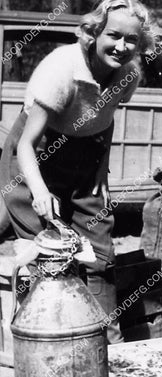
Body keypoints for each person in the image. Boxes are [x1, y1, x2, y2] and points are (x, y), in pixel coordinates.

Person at [0, 0, 154, 343]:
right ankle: (49, 343)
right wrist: (40, 191)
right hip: (35, 156)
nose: (122, 46)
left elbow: (107, 117)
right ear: (93, 32)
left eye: (132, 39)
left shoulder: (127, 71)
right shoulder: (61, 69)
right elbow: (26, 143)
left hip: (85, 157)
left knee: (99, 255)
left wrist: (101, 169)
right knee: (50, 254)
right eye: (113, 35)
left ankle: (108, 347)